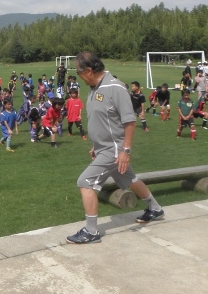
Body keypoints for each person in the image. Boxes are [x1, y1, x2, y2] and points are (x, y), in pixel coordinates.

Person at [66, 52, 164, 245]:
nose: (79, 78)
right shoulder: (94, 88)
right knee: (129, 178)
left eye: (79, 73)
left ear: (89, 70)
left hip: (114, 149)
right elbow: (102, 120)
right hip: (104, 148)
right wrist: (96, 146)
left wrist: (125, 151)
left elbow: (129, 121)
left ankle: (92, 232)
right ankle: (155, 208)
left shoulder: (115, 88)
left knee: (85, 182)